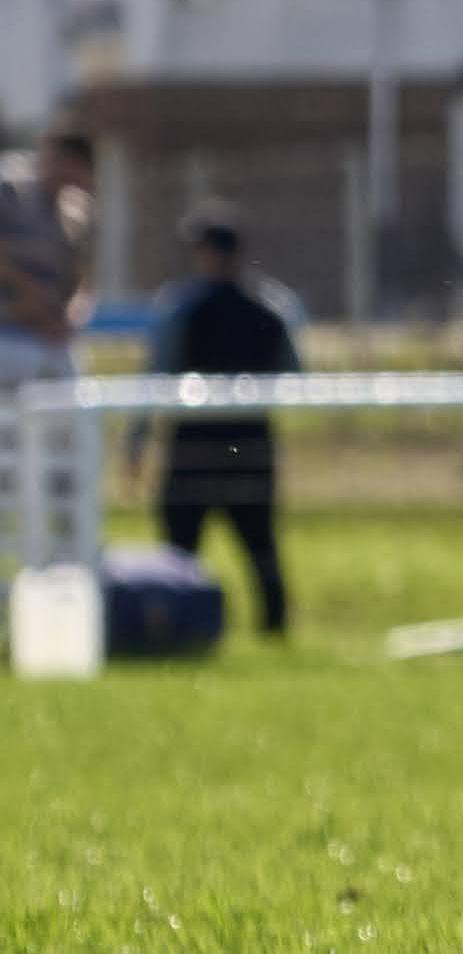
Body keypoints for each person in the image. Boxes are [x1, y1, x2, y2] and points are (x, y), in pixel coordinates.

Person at [139, 208, 295, 636]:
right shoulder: (271, 307)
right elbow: (295, 376)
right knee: (261, 548)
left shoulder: (181, 307)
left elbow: (154, 377)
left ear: (204, 252)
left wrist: (136, 441)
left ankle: (174, 629)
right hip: (251, 448)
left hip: (192, 451)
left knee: (178, 557)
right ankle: (274, 631)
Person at [0, 129, 95, 557]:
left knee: (67, 446)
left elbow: (80, 282)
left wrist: (69, 317)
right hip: (9, 338)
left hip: (49, 345)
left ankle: (67, 545)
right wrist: (31, 299)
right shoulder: (10, 192)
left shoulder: (74, 213)